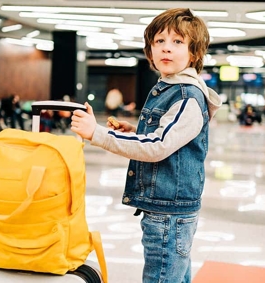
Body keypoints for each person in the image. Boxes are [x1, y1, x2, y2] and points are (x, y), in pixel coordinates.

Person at [70, 8, 221, 283]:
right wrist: (135, 130)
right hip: (167, 208)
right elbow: (165, 136)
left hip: (168, 213)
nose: (166, 48)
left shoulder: (187, 96)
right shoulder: (169, 87)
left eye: (177, 42)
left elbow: (157, 147)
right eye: (159, 41)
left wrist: (97, 134)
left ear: (194, 53)